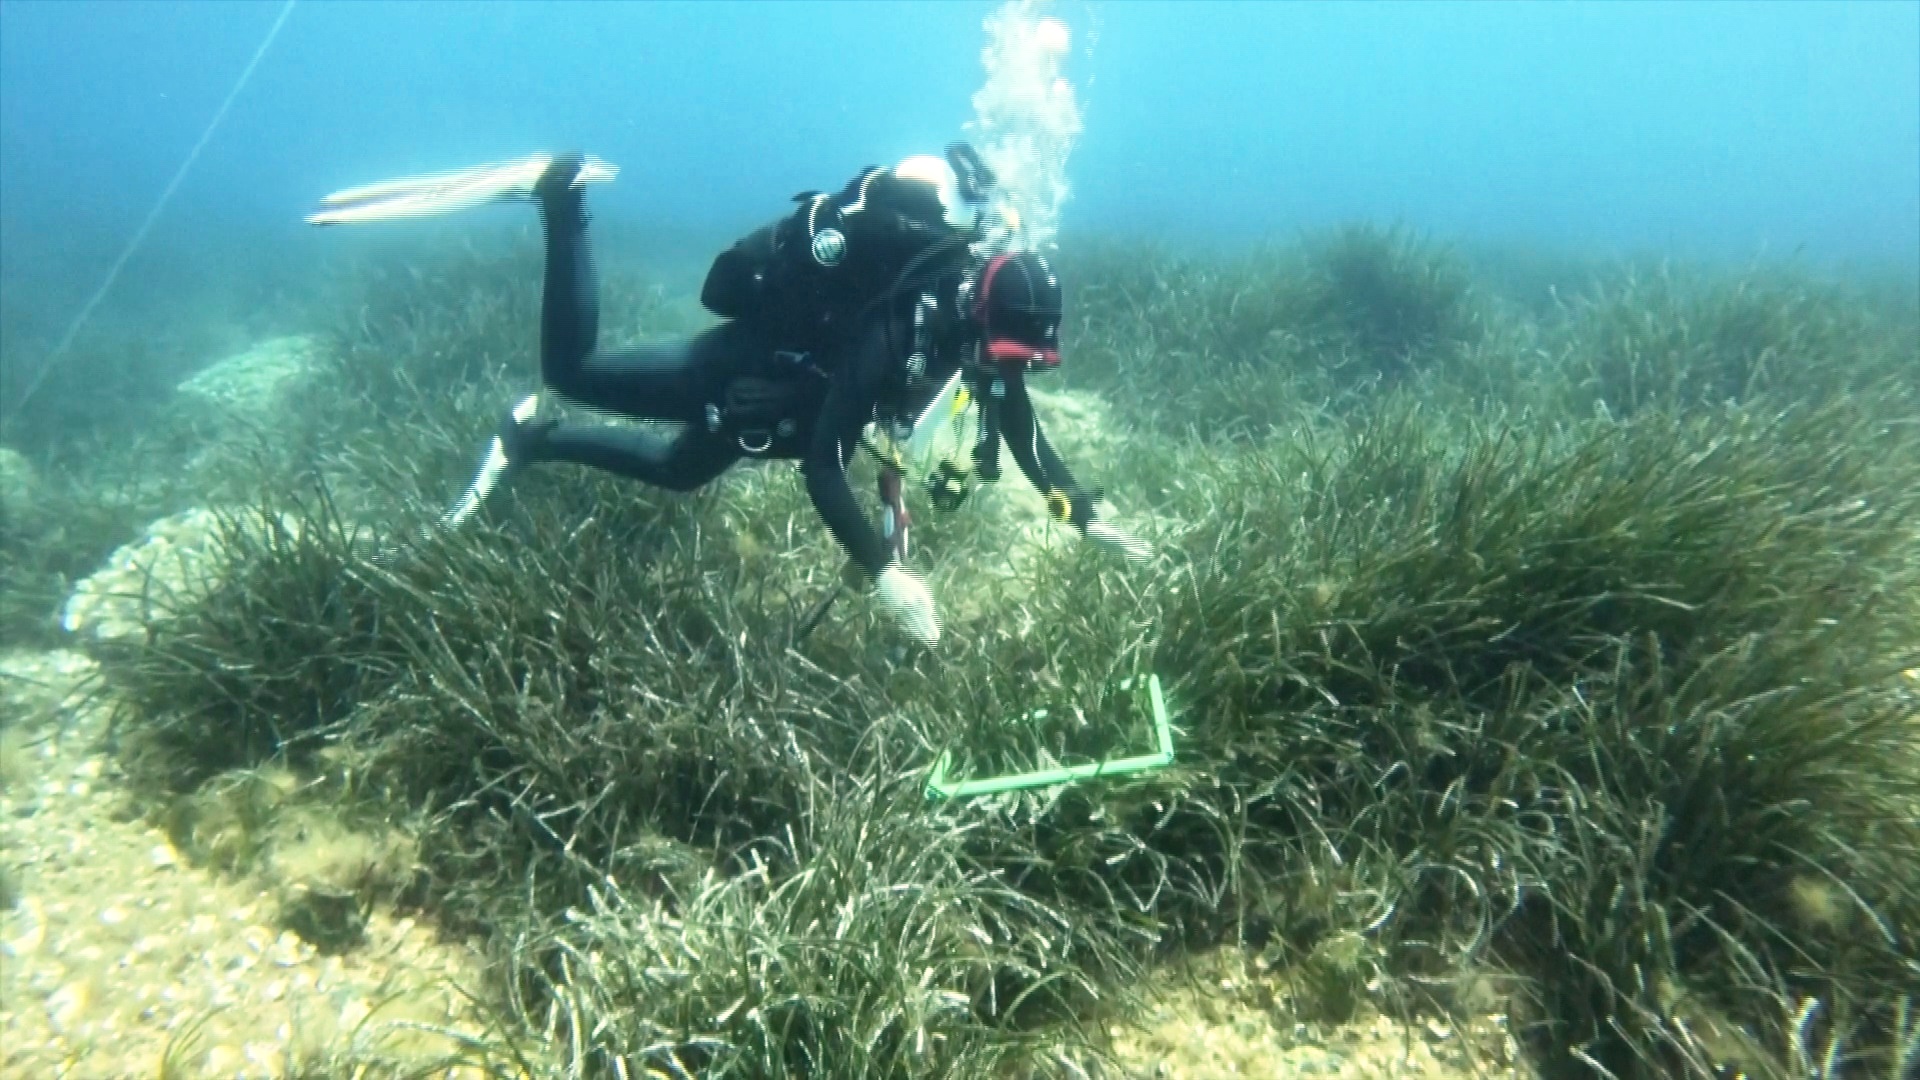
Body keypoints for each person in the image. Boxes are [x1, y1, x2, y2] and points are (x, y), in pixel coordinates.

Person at [310, 146, 1149, 646]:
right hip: (742, 365)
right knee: (578, 370)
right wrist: (886, 571)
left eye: (1019, 360)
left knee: (679, 470)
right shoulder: (900, 328)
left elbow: (1016, 419)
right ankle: (562, 202)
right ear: (984, 310)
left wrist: (1082, 511)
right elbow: (825, 465)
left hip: (782, 401)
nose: (1005, 371)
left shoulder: (973, 323)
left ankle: (529, 441)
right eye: (1004, 354)